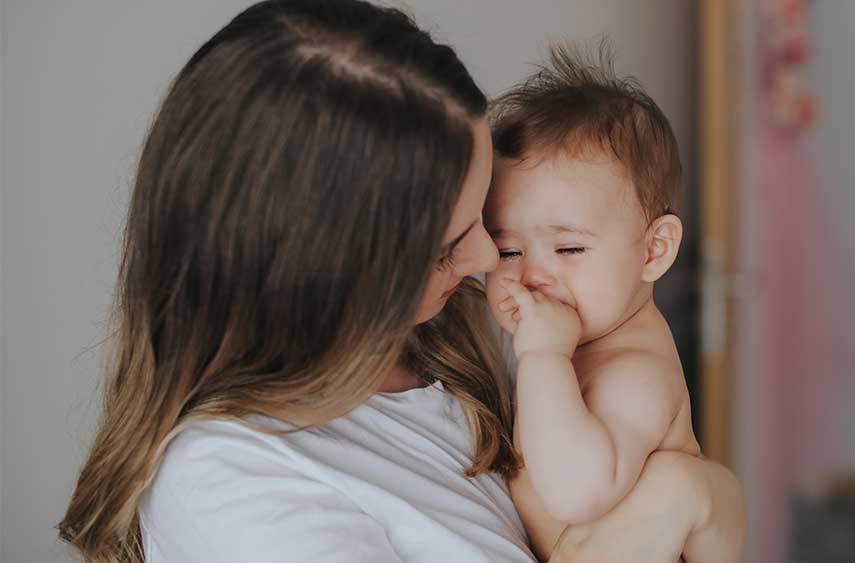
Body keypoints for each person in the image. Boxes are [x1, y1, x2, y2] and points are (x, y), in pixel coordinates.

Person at [57, 1, 745, 562]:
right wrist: (682, 499)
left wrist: (698, 495)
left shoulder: (468, 334)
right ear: (331, 276)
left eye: (482, 219)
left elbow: (696, 498)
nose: (485, 261)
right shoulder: (232, 481)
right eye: (452, 245)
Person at [484, 46, 739, 562]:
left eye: (570, 248)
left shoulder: (636, 375)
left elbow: (575, 494)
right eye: (507, 250)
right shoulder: (579, 340)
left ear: (654, 250)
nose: (532, 275)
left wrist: (544, 358)